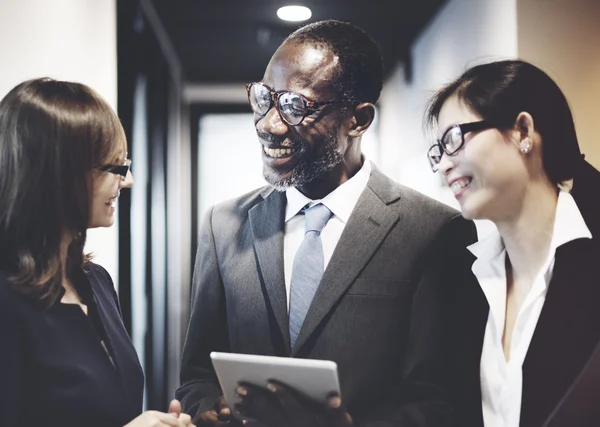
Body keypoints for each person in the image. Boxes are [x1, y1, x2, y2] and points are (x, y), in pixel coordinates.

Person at [177, 19, 475, 427]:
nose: (268, 123)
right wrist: (207, 407)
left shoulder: (434, 231)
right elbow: (195, 376)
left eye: (296, 107)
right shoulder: (223, 225)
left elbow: (441, 399)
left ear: (358, 119)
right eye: (264, 97)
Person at [0, 78, 194, 427]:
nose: (129, 181)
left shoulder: (96, 282)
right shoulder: (8, 301)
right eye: (116, 167)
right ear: (59, 173)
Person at [424, 59, 600, 426]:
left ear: (523, 130)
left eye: (453, 139)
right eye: (438, 152)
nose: (443, 165)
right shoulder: (460, 270)